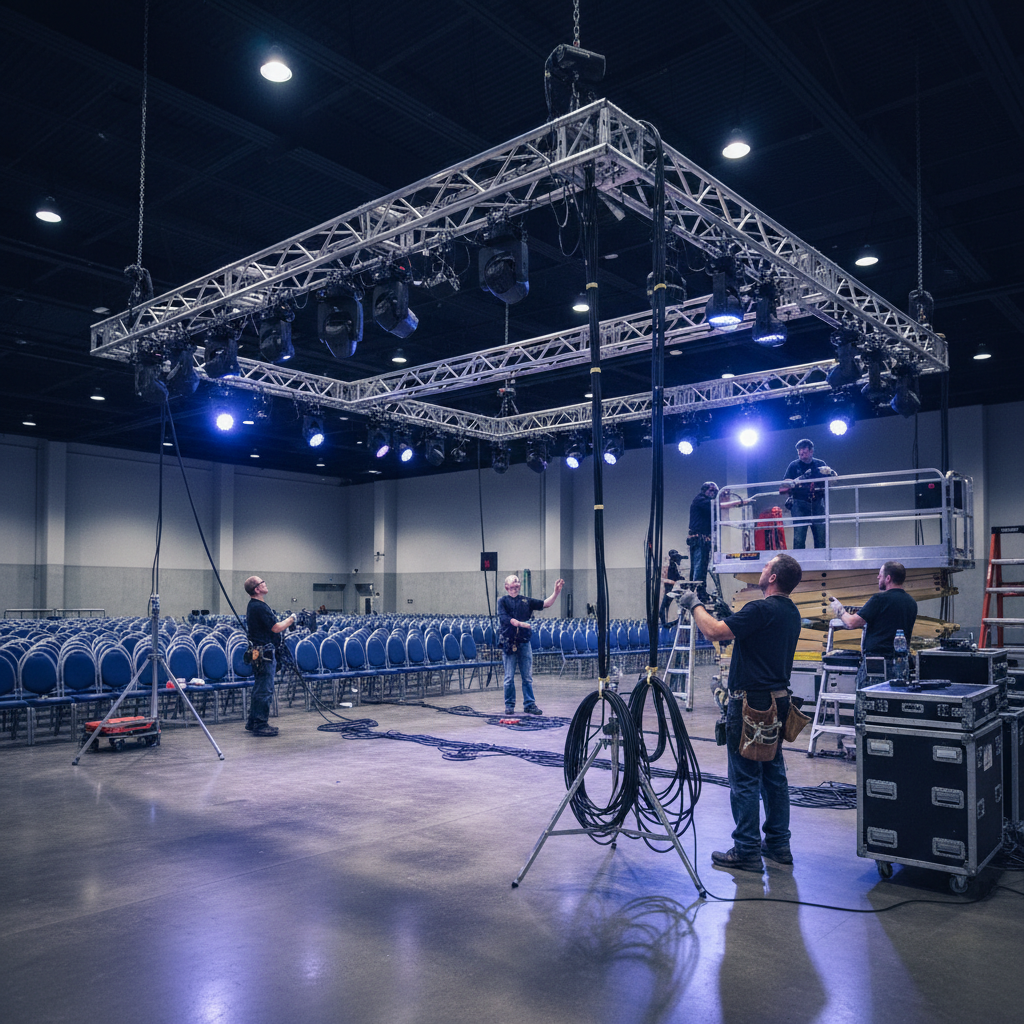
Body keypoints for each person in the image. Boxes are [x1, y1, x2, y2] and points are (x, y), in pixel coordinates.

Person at [676, 553, 803, 872]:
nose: (761, 570)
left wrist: (694, 604)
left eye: (765, 567)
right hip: (778, 702)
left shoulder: (760, 608)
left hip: (752, 705)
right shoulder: (790, 611)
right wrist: (732, 615)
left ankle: (746, 849)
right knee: (774, 776)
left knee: (745, 776)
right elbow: (758, 637)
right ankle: (778, 845)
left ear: (773, 577)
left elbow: (714, 632)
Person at [830, 561, 918, 686]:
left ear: (888, 578)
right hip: (901, 665)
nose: (878, 577)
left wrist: (839, 610)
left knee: (869, 702)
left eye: (880, 575)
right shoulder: (911, 603)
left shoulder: (879, 599)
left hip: (876, 665)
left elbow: (851, 623)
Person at [497, 574, 564, 716]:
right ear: (506, 587)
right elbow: (505, 619)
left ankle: (529, 704)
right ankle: (509, 705)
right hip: (509, 643)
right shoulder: (502, 601)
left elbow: (545, 604)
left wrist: (556, 593)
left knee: (527, 676)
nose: (516, 582)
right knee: (508, 677)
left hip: (524, 643)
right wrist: (522, 624)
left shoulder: (525, 601)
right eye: (513, 581)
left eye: (517, 581)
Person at [244, 575, 297, 737]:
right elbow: (275, 628)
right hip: (264, 652)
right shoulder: (259, 606)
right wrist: (291, 619)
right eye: (262, 582)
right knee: (265, 689)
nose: (265, 584)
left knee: (259, 687)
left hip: (257, 651)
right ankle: (260, 724)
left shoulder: (255, 605)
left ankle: (253, 721)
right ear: (257, 589)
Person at [780, 439, 837, 549]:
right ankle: (798, 564)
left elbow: (833, 481)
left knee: (821, 537)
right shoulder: (794, 465)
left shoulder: (820, 464)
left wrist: (830, 473)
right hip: (799, 504)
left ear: (811, 451)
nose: (801, 455)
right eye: (799, 453)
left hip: (817, 503)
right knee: (799, 537)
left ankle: (822, 563)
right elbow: (784, 483)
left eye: (804, 452)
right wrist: (796, 481)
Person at [659, 549, 684, 629]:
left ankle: (669, 623)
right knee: (663, 608)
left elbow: (676, 576)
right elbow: (662, 578)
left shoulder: (674, 565)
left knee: (668, 608)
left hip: (673, 589)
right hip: (669, 589)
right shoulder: (668, 565)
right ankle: (665, 624)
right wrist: (674, 582)